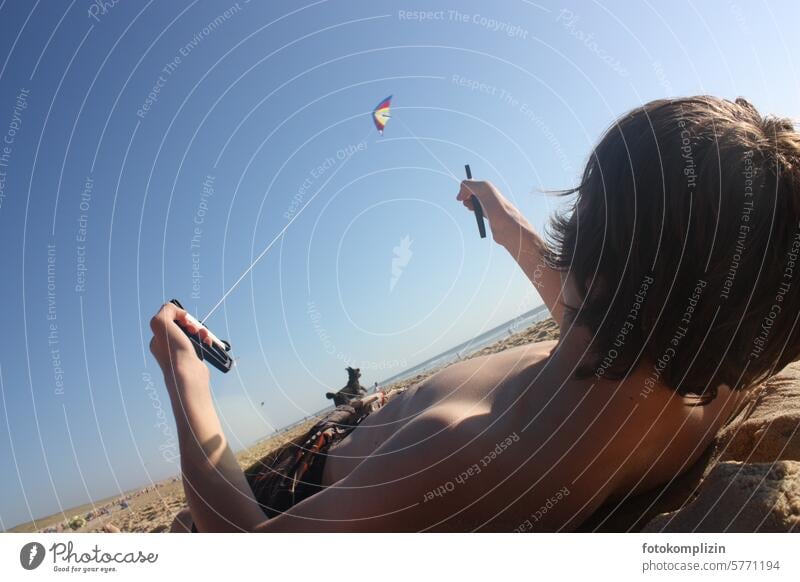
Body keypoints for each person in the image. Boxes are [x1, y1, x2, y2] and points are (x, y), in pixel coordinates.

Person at [150, 96, 800, 532]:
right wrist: (501, 214)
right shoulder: (710, 369)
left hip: (323, 470)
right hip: (384, 426)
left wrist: (186, 378)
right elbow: (624, 312)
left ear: (595, 259)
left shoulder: (477, 458)